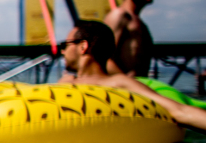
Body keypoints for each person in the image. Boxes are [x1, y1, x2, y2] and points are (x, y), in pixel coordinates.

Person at [59, 20, 206, 131]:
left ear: (83, 46)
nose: (62, 51)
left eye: (65, 45)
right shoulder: (64, 83)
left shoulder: (119, 83)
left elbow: (177, 111)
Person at [103, 0, 156, 77]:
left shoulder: (140, 23)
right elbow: (103, 59)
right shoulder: (119, 16)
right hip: (124, 86)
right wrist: (130, 84)